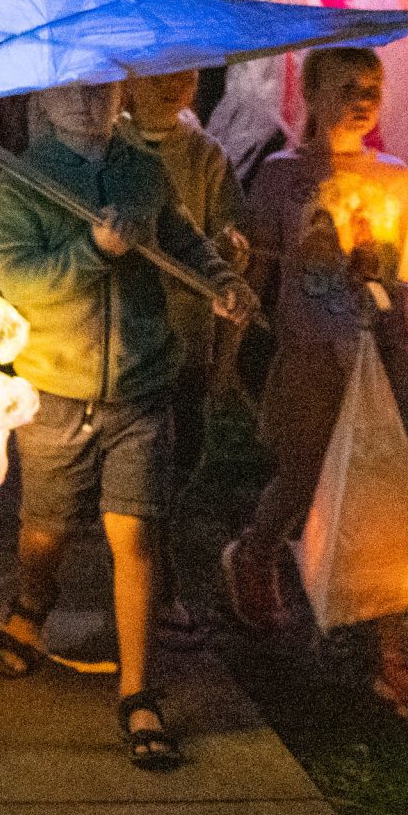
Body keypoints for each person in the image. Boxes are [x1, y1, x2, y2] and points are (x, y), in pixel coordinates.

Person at [0, 77, 253, 770]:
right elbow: (19, 278)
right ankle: (31, 600)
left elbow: (185, 241)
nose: (86, 100)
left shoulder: (145, 171)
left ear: (123, 94)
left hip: (140, 386)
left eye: (102, 86)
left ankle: (138, 688)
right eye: (69, 89)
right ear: (43, 100)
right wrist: (93, 252)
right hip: (55, 385)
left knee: (134, 529)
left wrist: (220, 279)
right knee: (46, 524)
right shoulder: (25, 178)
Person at [224, 47, 408, 718]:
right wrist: (230, 348)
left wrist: (404, 265)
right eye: (345, 85)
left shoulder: (395, 175)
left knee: (388, 486)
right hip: (311, 351)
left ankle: (396, 648)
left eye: (372, 85)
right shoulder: (283, 177)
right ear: (310, 94)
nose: (361, 96)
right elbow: (255, 263)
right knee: (302, 472)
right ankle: (255, 553)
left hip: (380, 351)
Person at [124, 70, 248, 640]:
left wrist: (230, 249)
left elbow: (228, 229)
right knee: (141, 458)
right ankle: (154, 573)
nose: (175, 83)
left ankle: (153, 552)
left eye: (188, 71)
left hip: (189, 334)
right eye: (160, 71)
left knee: (183, 452)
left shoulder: (205, 155)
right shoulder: (114, 145)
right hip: (129, 334)